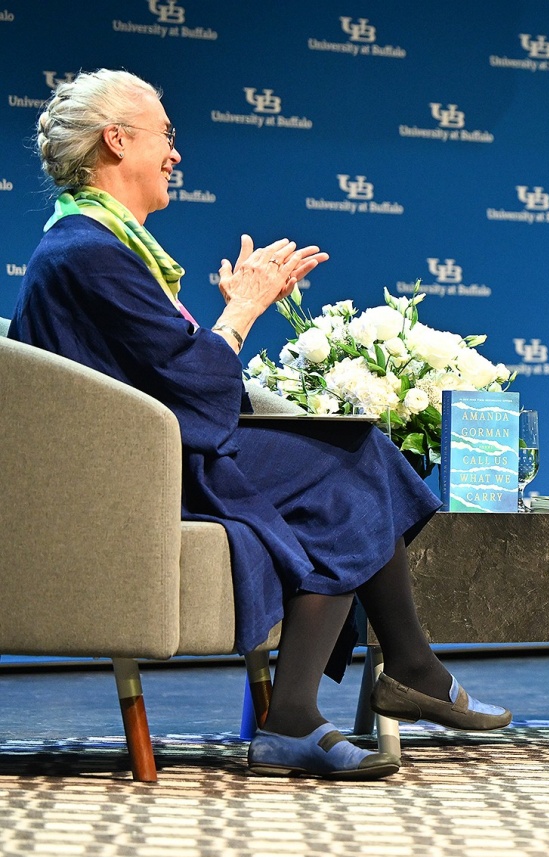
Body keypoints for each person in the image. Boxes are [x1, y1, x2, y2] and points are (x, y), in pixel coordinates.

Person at [8, 69, 511, 780]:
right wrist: (241, 310)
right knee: (349, 465)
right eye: (165, 135)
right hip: (136, 475)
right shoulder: (87, 251)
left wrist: (224, 319)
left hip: (154, 450)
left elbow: (174, 372)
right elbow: (189, 381)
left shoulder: (97, 245)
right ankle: (381, 680)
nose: (175, 153)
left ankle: (362, 687)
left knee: (351, 459)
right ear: (116, 141)